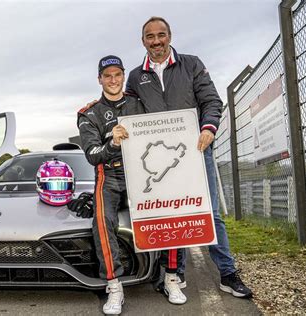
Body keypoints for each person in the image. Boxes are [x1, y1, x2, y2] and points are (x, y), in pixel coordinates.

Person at [126, 16, 253, 301]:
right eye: (150, 36)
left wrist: (208, 128)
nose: (156, 41)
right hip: (160, 158)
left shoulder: (191, 63)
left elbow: (211, 101)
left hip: (195, 151)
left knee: (209, 212)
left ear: (169, 36)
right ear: (143, 40)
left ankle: (227, 272)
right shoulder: (135, 77)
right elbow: (130, 113)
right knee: (168, 212)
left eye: (161, 35)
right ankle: (176, 270)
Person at [77, 55, 144, 315]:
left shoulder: (139, 104)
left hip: (143, 172)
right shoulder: (88, 112)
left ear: (123, 76)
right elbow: (93, 156)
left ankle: (171, 276)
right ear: (100, 79)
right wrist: (113, 143)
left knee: (165, 213)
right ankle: (114, 285)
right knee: (102, 222)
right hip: (110, 175)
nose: (113, 80)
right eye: (108, 75)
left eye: (117, 74)